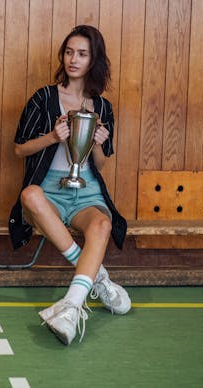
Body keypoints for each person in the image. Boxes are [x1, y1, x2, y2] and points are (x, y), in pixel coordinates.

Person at [8, 25, 129, 345]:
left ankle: (72, 306)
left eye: (83, 54)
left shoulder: (102, 107)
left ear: (94, 60)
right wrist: (52, 137)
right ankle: (97, 278)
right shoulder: (44, 97)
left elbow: (100, 164)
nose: (74, 59)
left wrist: (100, 143)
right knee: (29, 195)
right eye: (69, 52)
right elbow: (19, 149)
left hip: (86, 188)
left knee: (102, 223)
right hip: (48, 188)